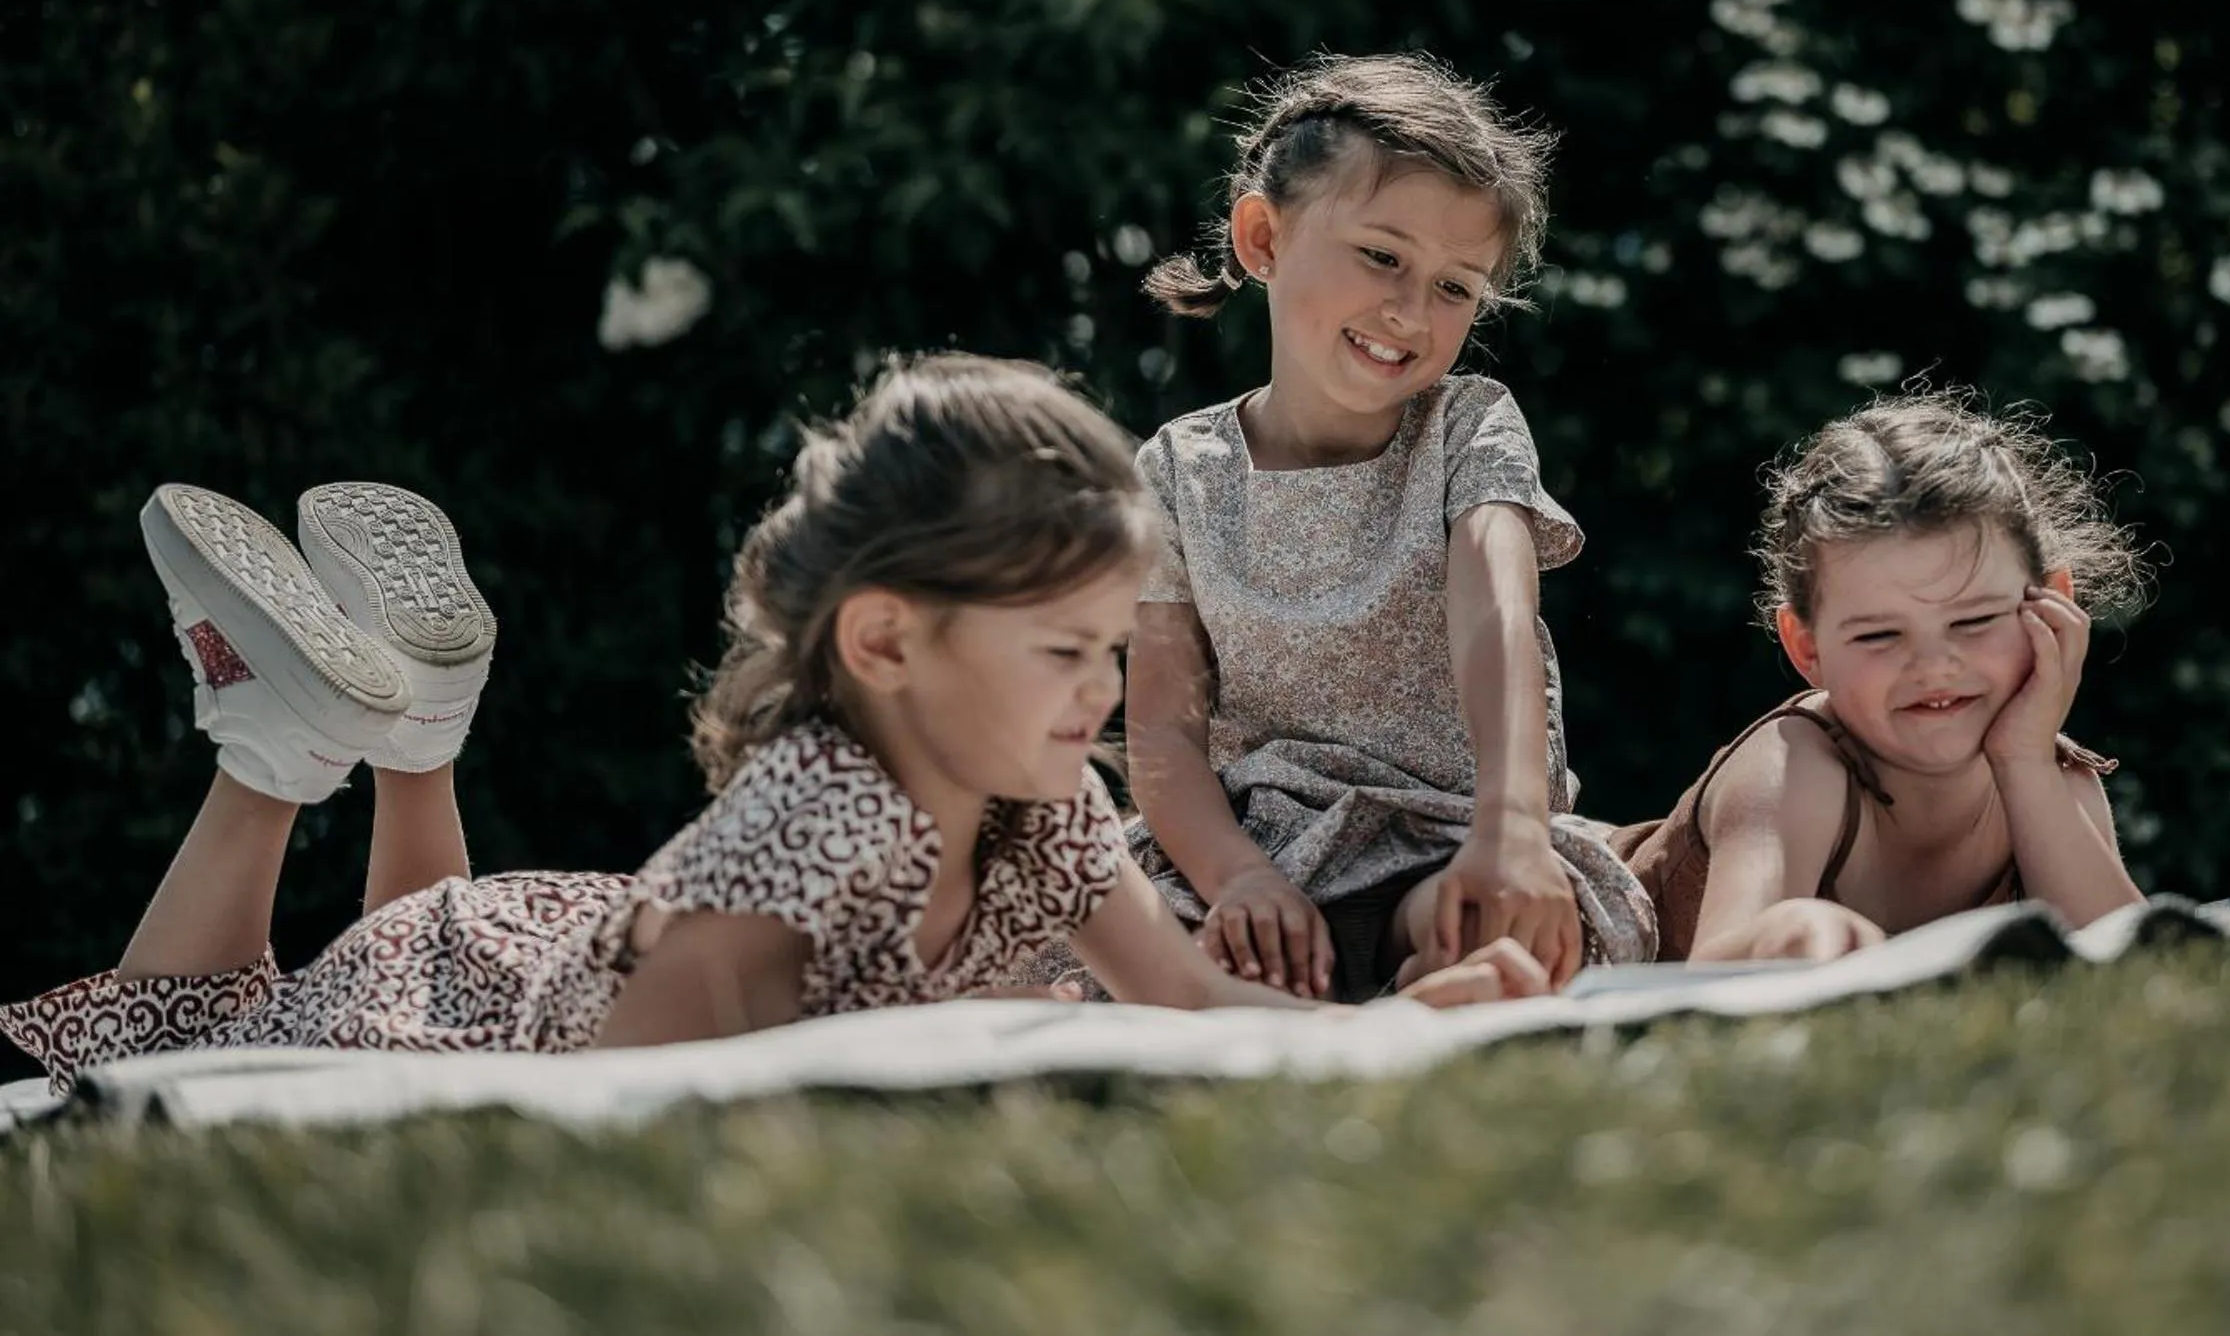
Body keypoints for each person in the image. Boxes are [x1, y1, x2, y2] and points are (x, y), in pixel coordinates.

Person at [1, 354, 1546, 1094]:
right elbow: (615, 1094)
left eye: (1109, 647)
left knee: (301, 968)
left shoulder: (1049, 800)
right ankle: (347, 746)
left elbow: (1195, 1011)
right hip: (482, 986)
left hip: (533, 931)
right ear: (886, 642)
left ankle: (397, 740)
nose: (1106, 692)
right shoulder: (818, 816)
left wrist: (1399, 1028)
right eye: (1066, 649)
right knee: (210, 1024)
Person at [1117, 53, 1656, 1004]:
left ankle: (1417, 993)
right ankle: (1343, 1015)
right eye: (1382, 255)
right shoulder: (1175, 470)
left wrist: (1514, 826)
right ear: (1262, 237)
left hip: (1454, 831)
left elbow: (1497, 613)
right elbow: (1162, 730)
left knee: (1489, 927)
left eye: (1457, 288)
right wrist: (1236, 876)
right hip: (1259, 854)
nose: (1411, 311)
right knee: (1146, 952)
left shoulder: (1467, 424)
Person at [1609, 385, 2153, 962]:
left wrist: (2024, 763)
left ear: (2053, 604)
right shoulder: (1795, 767)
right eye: (1879, 635)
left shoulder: (2051, 777)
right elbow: (1712, 976)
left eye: (1974, 621)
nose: (1934, 665)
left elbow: (2138, 970)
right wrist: (1791, 929)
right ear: (1806, 646)